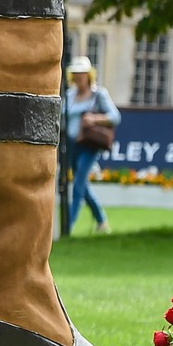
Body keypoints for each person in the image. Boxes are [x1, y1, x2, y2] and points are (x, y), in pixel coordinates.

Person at [63, 57, 120, 234]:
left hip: (90, 143)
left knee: (79, 181)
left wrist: (94, 119)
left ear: (89, 75)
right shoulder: (69, 95)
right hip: (72, 144)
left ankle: (68, 226)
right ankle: (101, 220)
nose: (79, 77)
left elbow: (115, 117)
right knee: (81, 183)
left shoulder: (99, 94)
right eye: (76, 74)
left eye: (82, 74)